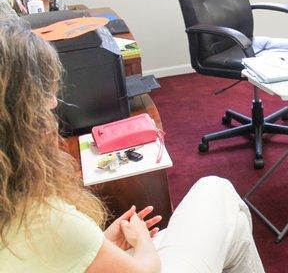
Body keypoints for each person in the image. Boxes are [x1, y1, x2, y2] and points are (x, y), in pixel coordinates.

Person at [0, 18, 265, 273]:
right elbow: (145, 269)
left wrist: (100, 244)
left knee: (235, 228)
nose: (54, 104)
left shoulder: (19, 214)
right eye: (43, 95)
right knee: (217, 190)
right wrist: (142, 242)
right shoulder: (48, 220)